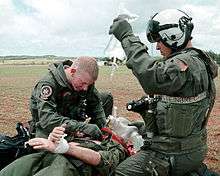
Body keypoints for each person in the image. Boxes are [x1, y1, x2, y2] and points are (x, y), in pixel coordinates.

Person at [109, 9, 218, 176]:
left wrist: (126, 36)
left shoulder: (186, 65)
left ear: (173, 36)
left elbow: (150, 75)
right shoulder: (199, 61)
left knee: (122, 172)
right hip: (192, 148)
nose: (158, 46)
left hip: (173, 155)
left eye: (159, 41)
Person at [28, 56, 113, 139]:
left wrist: (103, 127)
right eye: (83, 83)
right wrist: (81, 127)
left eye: (88, 84)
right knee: (55, 149)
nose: (85, 88)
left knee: (106, 97)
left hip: (71, 120)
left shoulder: (84, 80)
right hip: (49, 127)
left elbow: (95, 105)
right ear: (72, 71)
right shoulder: (49, 84)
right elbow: (47, 119)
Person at [0, 125, 129, 176]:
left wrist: (66, 148)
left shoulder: (115, 146)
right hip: (46, 157)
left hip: (70, 166)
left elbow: (100, 160)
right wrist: (52, 139)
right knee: (10, 172)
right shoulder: (83, 135)